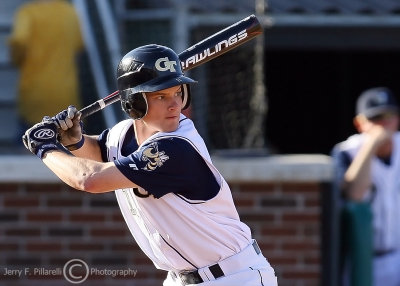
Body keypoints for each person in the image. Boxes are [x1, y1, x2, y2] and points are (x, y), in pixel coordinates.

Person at [22, 44, 278, 286]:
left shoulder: (176, 147)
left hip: (235, 277)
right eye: (161, 96)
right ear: (133, 103)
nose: (175, 104)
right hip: (181, 277)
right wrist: (74, 141)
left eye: (178, 93)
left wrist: (45, 148)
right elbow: (101, 152)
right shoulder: (123, 134)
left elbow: (90, 179)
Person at [331, 87, 400, 286]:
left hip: (397, 255)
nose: (384, 123)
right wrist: (371, 144)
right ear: (359, 123)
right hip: (362, 260)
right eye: (376, 117)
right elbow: (354, 194)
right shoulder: (346, 151)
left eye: (389, 115)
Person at [8, 0, 84, 131]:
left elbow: (19, 42)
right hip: (66, 92)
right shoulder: (70, 12)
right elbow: (78, 45)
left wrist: (16, 59)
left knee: (33, 140)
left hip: (35, 93)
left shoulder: (27, 13)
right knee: (68, 143)